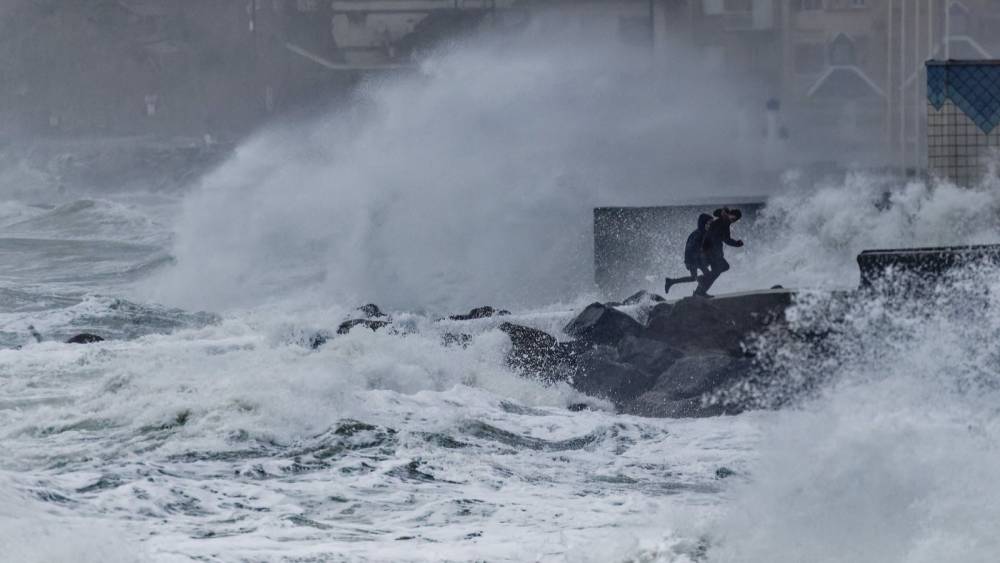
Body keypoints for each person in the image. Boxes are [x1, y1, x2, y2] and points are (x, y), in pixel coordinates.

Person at [695, 207, 744, 298]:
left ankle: (700, 290)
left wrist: (736, 243)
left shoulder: (724, 222)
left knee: (719, 270)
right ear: (730, 214)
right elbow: (723, 238)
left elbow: (725, 238)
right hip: (711, 251)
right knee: (722, 268)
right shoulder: (722, 222)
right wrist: (737, 243)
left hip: (711, 251)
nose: (733, 220)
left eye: (735, 220)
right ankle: (701, 284)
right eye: (733, 217)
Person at [664, 212, 713, 295]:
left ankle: (671, 281)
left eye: (711, 223)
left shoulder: (701, 232)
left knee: (693, 278)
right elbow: (692, 248)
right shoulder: (699, 234)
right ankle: (699, 292)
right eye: (708, 223)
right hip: (694, 260)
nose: (710, 225)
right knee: (707, 275)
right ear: (703, 223)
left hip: (694, 259)